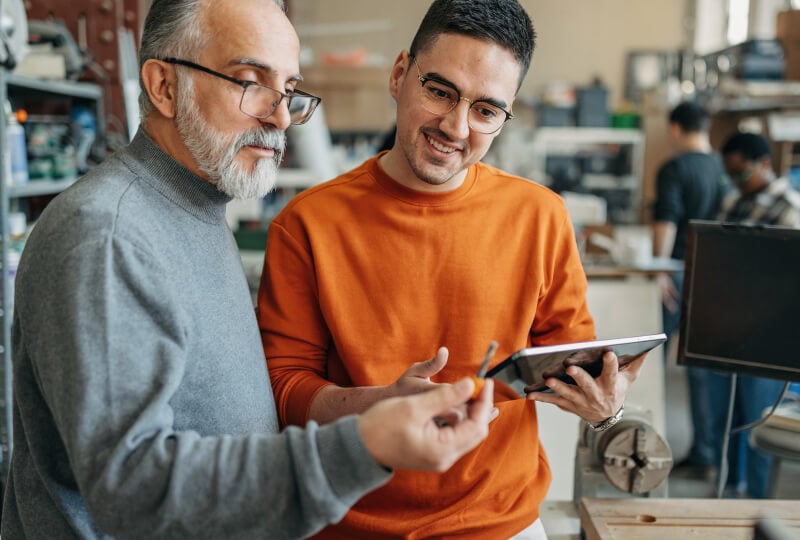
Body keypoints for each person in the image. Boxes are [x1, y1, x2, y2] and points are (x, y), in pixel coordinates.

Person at [1, 0, 497, 538]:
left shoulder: (196, 206)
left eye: (287, 90)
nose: (280, 116)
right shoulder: (107, 237)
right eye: (250, 81)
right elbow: (132, 488)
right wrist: (362, 446)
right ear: (164, 86)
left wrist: (373, 408)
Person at [258, 0, 646, 537]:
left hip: (503, 523)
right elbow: (281, 390)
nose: (456, 126)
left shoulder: (540, 216)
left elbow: (568, 353)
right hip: (349, 523)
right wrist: (381, 404)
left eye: (486, 110)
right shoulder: (307, 224)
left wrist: (603, 400)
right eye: (439, 91)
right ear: (400, 75)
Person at [703, 131, 800, 498]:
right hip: (726, 330)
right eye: (730, 175)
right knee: (726, 419)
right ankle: (729, 487)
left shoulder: (789, 207)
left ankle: (757, 503)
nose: (736, 182)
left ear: (764, 164)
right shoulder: (734, 201)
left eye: (741, 173)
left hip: (767, 338)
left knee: (758, 420)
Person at [650, 101, 728, 477]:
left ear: (676, 128)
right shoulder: (721, 167)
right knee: (700, 369)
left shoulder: (675, 168)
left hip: (678, 272)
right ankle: (706, 454)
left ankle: (651, 447)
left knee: (654, 363)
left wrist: (659, 272)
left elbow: (665, 221)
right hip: (712, 276)